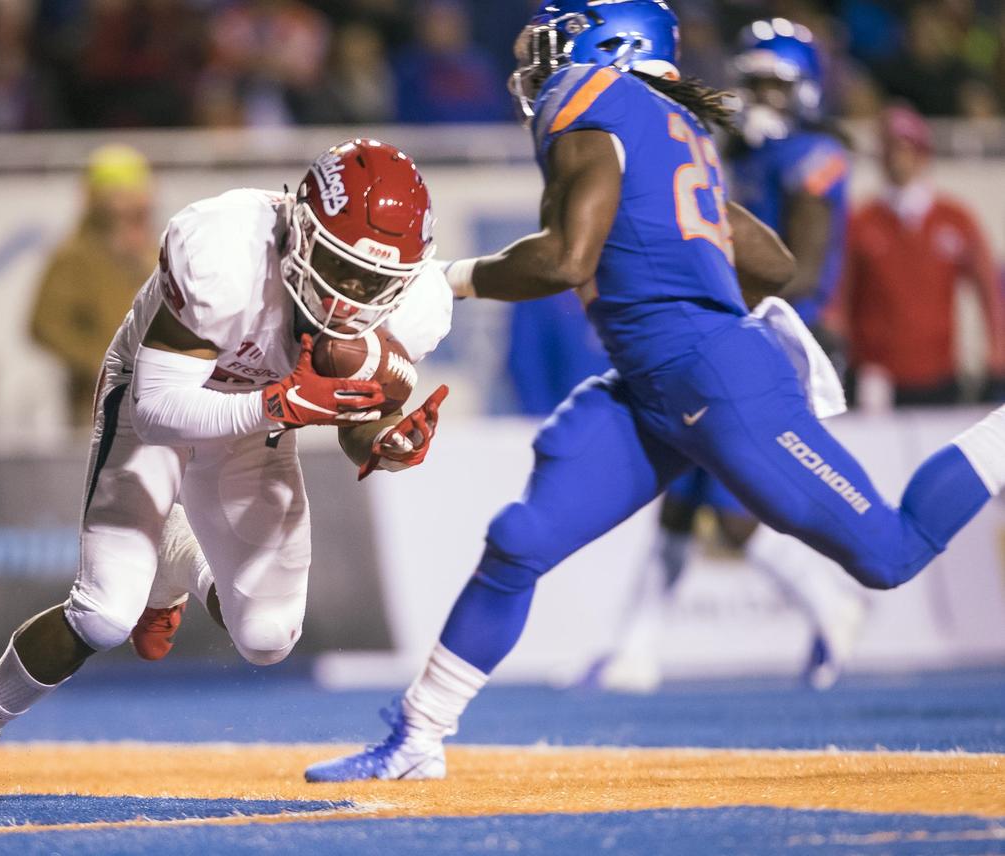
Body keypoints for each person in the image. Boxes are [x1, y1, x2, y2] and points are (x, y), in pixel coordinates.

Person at [305, 0, 1005, 783]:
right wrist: (702, 229)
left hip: (708, 373)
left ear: (607, 48)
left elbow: (570, 259)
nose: (541, 64)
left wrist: (450, 280)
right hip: (654, 381)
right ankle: (417, 738)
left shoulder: (589, 95)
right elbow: (772, 265)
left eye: (556, 45)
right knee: (520, 540)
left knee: (890, 553)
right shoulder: (681, 132)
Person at [0, 138, 453, 808]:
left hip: (258, 413)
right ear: (300, 229)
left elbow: (355, 424)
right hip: (159, 391)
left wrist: (387, 440)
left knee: (267, 638)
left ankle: (177, 560)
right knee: (106, 612)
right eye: (342, 270)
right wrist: (281, 402)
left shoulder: (416, 304)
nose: (351, 301)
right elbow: (161, 410)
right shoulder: (225, 251)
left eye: (375, 285)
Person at [591, 19, 864, 695]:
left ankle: (832, 600)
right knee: (681, 495)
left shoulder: (815, 156)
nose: (761, 96)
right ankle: (636, 649)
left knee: (736, 513)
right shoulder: (734, 150)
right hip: (728, 334)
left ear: (804, 89)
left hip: (781, 337)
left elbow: (798, 268)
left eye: (775, 83)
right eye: (754, 82)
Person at [836, 103, 1005, 407]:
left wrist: (996, 348)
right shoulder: (861, 222)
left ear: (923, 153)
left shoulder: (954, 219)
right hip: (877, 375)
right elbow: (840, 296)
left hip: (940, 373)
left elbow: (989, 287)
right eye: (890, 149)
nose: (897, 158)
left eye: (905, 148)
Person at [30, 144, 159, 427]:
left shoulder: (155, 253)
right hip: (97, 406)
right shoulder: (73, 257)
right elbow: (44, 325)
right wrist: (99, 363)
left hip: (157, 403)